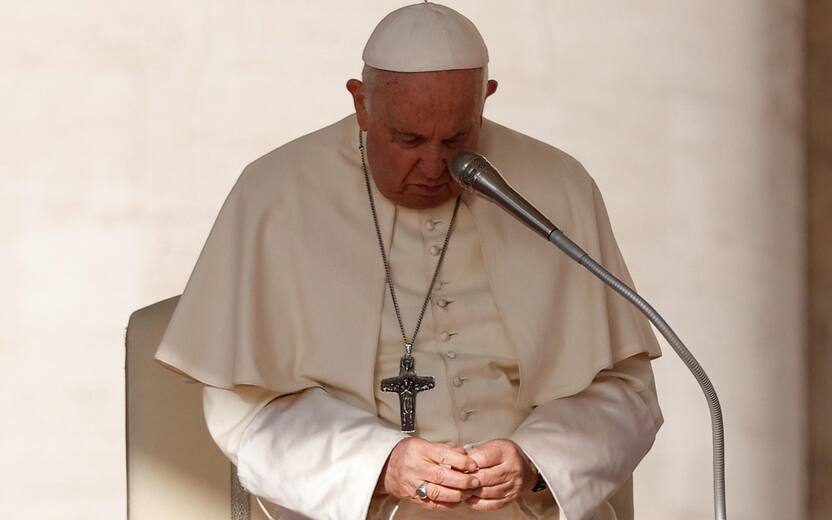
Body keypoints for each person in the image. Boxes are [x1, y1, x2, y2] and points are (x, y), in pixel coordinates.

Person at [155, 3, 663, 519]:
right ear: (361, 104)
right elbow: (244, 412)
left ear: (485, 101)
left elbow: (626, 393)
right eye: (408, 140)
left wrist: (536, 459)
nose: (434, 165)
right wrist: (380, 463)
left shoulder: (558, 186)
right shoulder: (276, 194)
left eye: (457, 139)